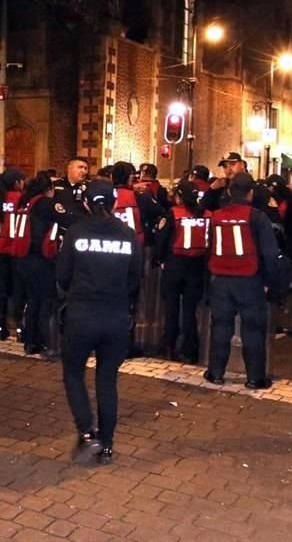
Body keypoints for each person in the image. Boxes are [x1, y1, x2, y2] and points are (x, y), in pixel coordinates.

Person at [57, 180, 143, 464]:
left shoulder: (76, 233)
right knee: (107, 379)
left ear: (85, 202)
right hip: (115, 315)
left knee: (73, 373)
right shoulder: (128, 235)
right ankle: (106, 445)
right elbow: (135, 278)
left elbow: (63, 276)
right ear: (115, 202)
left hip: (81, 313)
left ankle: (86, 432)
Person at [203, 173, 279, 389]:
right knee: (253, 329)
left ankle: (215, 373)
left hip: (220, 279)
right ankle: (255, 378)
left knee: (220, 326)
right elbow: (270, 254)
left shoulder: (216, 217)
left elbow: (210, 248)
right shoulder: (257, 217)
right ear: (250, 193)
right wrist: (269, 282)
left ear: (228, 191)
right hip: (249, 279)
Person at [153, 181, 210, 363]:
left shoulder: (174, 214)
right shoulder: (207, 215)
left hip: (175, 264)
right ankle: (190, 348)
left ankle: (169, 345)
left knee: (171, 306)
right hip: (198, 265)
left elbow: (162, 239)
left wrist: (159, 259)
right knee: (190, 309)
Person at [12, 176, 62, 355]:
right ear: (48, 188)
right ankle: (46, 342)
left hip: (23, 258)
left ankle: (30, 341)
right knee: (46, 300)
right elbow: (67, 219)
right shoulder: (46, 204)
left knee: (33, 300)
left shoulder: (26, 202)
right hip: (41, 259)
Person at [0, 169, 25, 341]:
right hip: (16, 249)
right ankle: (20, 328)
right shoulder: (20, 198)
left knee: (1, 290)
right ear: (16, 182)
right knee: (19, 290)